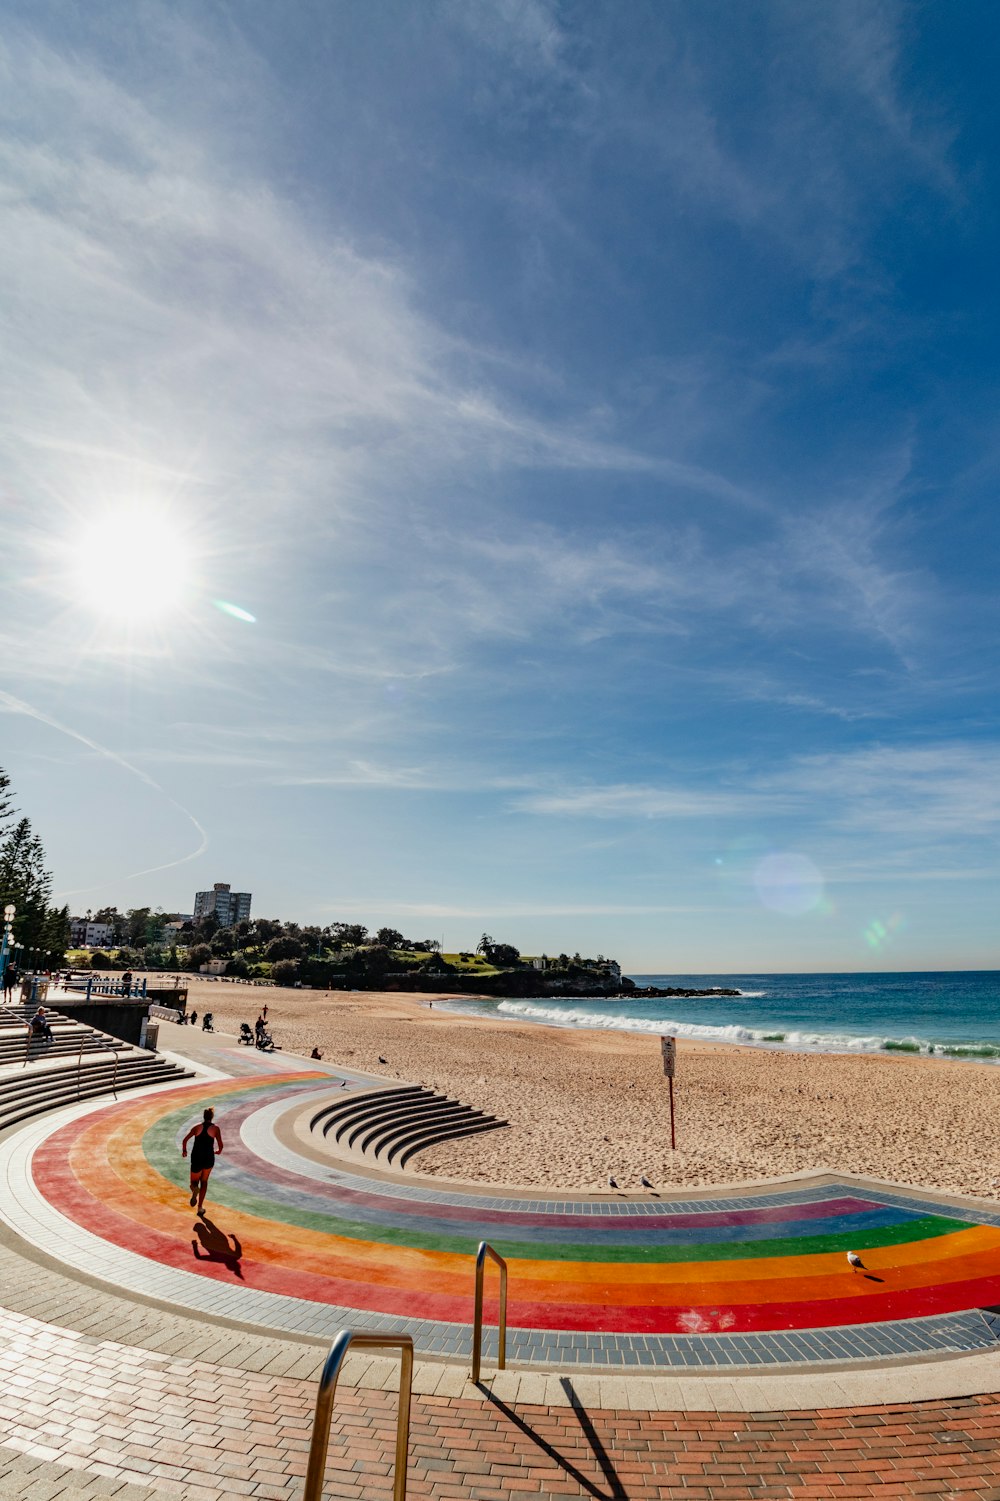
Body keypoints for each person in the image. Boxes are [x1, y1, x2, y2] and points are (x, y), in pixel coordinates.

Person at [181, 1107, 223, 1216]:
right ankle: (200, 1208)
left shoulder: (196, 1127)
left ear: (204, 1117)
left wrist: (184, 1151)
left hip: (197, 1157)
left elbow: (185, 1140)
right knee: (204, 1181)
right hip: (209, 1157)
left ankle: (195, 1189)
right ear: (212, 1117)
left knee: (193, 1182)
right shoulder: (215, 1129)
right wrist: (218, 1151)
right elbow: (221, 1146)